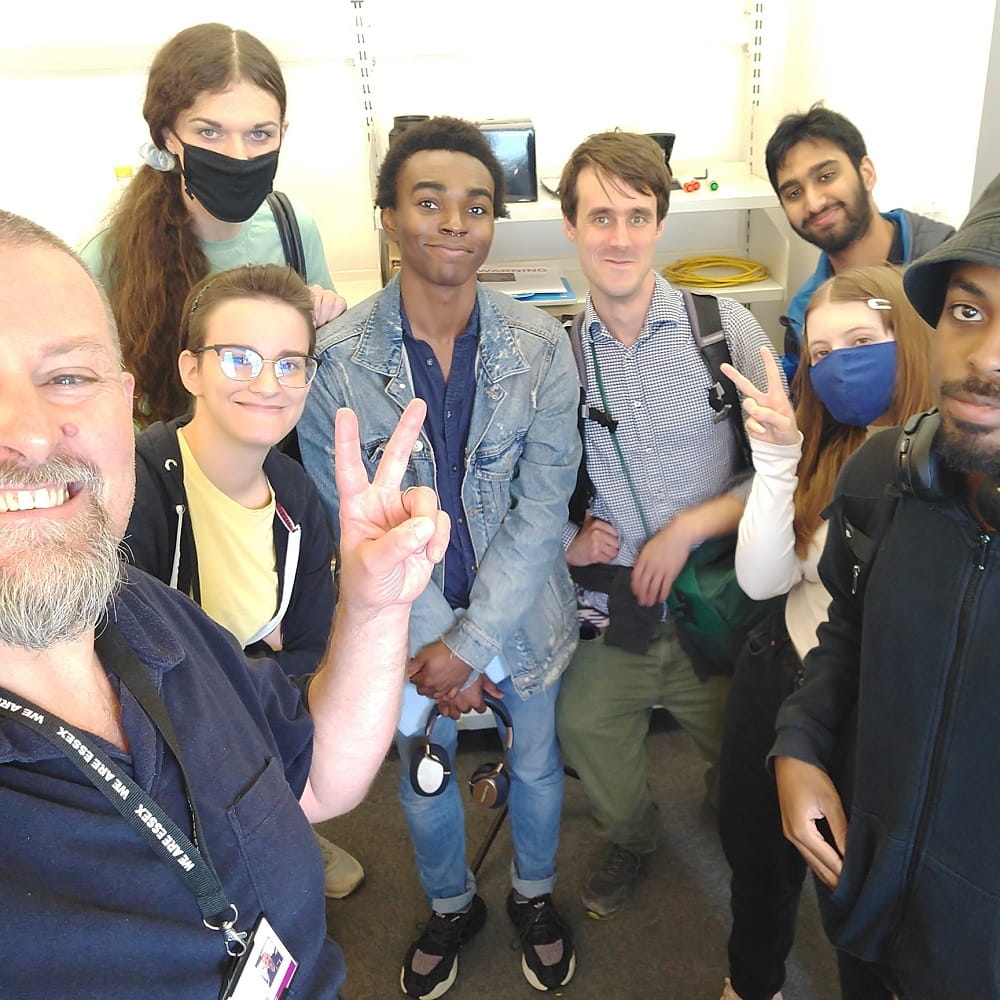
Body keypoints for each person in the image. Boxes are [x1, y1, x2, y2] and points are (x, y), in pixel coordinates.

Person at [0, 208, 449, 999]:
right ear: (188, 371)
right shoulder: (145, 499)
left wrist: (377, 606)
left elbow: (312, 779)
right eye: (239, 357)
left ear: (121, 395)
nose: (31, 434)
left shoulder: (149, 614)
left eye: (67, 376)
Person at [298, 115, 580, 998]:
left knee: (535, 761)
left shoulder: (542, 349)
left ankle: (534, 895)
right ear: (388, 215)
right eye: (429, 201)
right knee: (423, 781)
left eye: (477, 204)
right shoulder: (336, 367)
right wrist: (434, 649)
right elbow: (353, 522)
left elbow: (544, 508)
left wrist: (472, 641)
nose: (455, 220)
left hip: (523, 616)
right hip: (403, 629)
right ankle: (452, 903)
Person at [772, 172, 1000, 1000]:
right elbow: (846, 636)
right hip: (868, 908)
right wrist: (798, 745)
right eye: (967, 312)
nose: (984, 358)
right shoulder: (885, 474)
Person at [552, 131, 778, 921]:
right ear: (571, 226)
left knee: (752, 753)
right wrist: (566, 540)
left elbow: (785, 471)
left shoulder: (728, 331)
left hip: (720, 600)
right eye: (601, 216)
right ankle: (634, 837)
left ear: (661, 222)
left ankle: (728, 795)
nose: (620, 236)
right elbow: (530, 492)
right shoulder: (557, 360)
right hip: (621, 613)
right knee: (582, 725)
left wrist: (686, 529)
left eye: (638, 216)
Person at [715, 265, 934, 1000]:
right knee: (760, 862)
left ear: (910, 339)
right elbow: (762, 580)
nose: (838, 363)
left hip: (883, 717)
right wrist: (778, 459)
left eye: (861, 340)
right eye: (819, 352)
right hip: (783, 679)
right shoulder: (825, 445)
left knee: (863, 892)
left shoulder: (952, 460)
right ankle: (751, 985)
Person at [125, 263, 363, 898]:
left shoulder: (295, 495)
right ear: (190, 371)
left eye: (289, 363)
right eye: (238, 359)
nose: (268, 384)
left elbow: (314, 647)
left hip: (246, 732)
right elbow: (128, 670)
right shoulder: (136, 489)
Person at [80, 22, 346, 427]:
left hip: (273, 471)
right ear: (169, 135)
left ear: (283, 133)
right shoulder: (106, 259)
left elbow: (313, 371)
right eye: (209, 132)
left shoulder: (293, 229)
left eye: (259, 133)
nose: (238, 156)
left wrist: (328, 320)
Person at [765, 103, 953, 376]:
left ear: (866, 173)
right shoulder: (804, 312)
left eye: (826, 176)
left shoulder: (945, 265)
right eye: (794, 193)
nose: (814, 203)